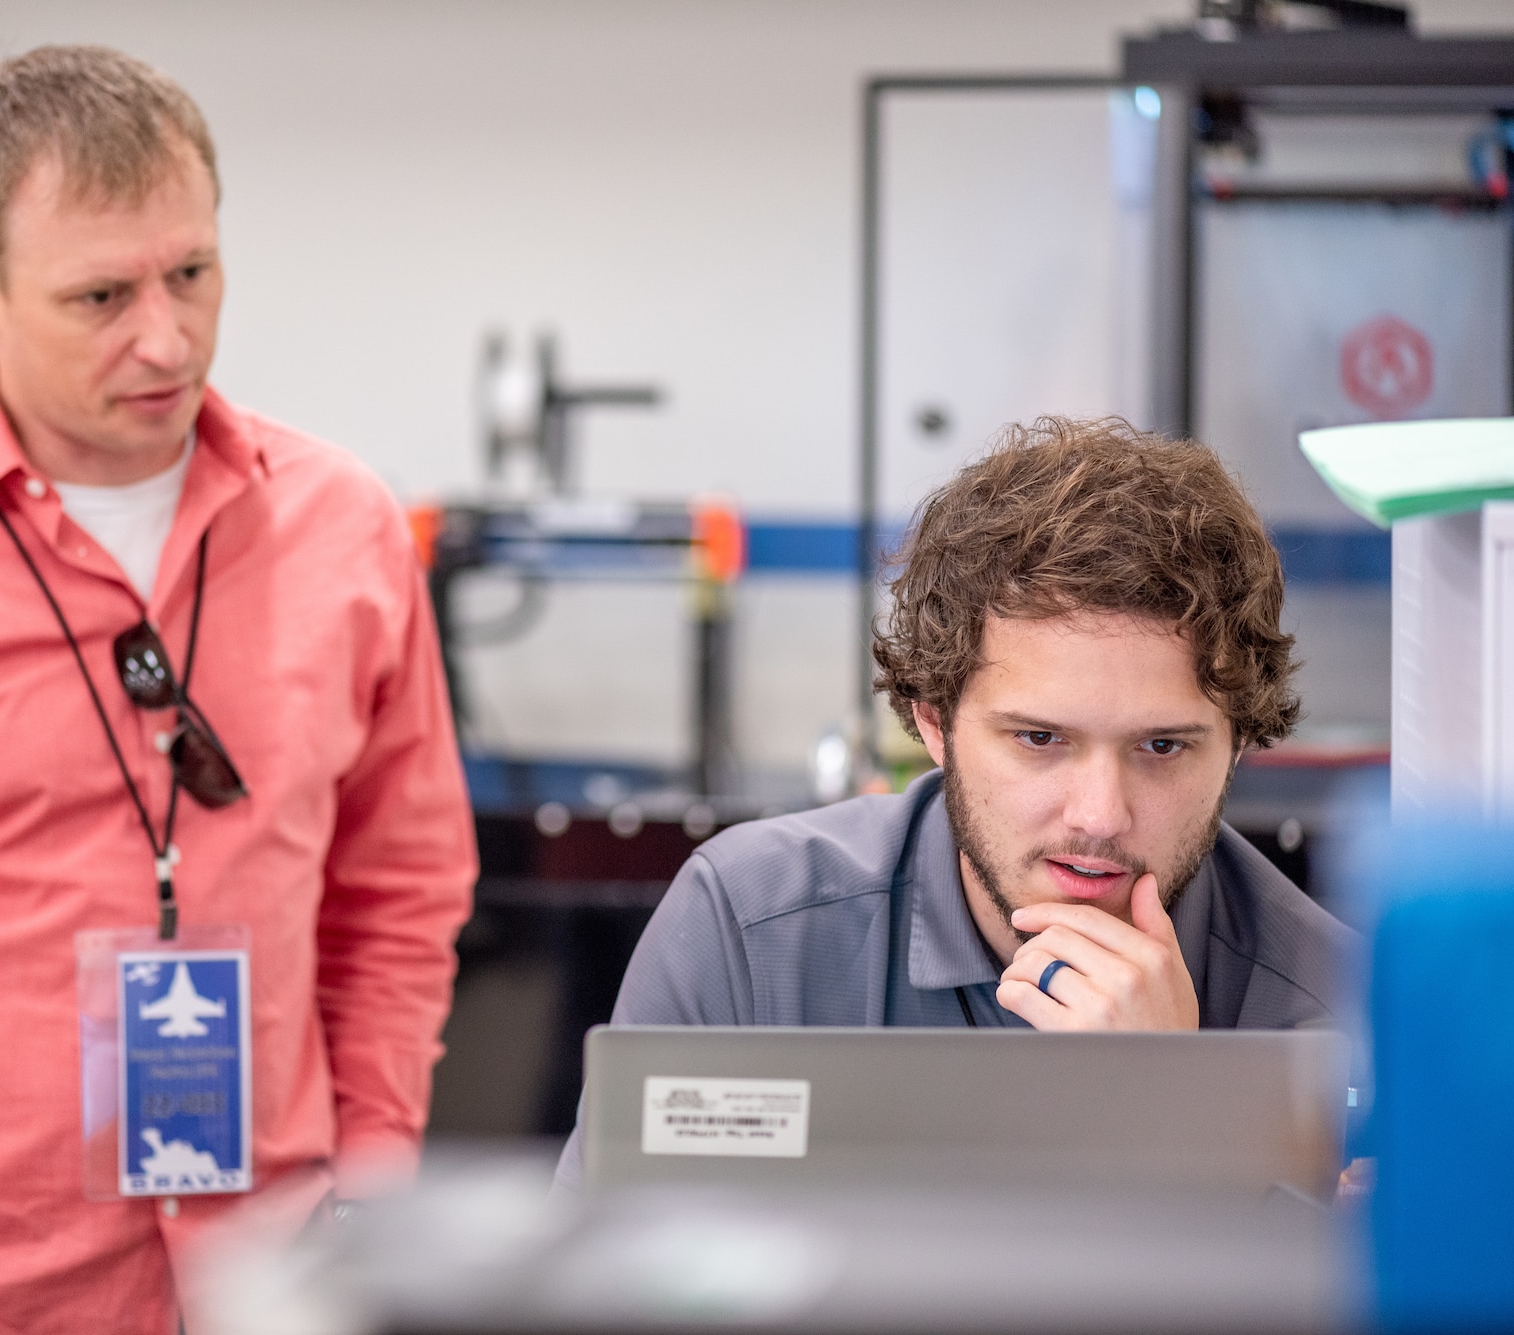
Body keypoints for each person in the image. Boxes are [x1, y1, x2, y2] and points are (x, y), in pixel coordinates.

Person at [0, 45, 476, 1333]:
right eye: (99, 297)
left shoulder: (341, 526)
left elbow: (398, 892)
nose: (167, 335)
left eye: (191, 273)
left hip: (284, 1271)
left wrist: (369, 1186)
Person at [555, 416, 1357, 1189]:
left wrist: (1191, 1120)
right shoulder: (748, 931)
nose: (1100, 815)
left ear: (1239, 744)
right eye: (1040, 738)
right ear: (933, 722)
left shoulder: (1347, 1013)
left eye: (1162, 747)